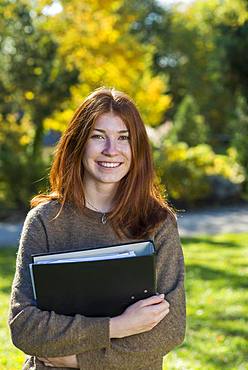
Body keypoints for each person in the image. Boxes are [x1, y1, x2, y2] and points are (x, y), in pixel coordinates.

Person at [8, 87, 186, 370]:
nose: (111, 150)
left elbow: (169, 329)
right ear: (78, 144)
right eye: (98, 137)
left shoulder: (158, 223)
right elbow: (26, 328)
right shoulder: (44, 221)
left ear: (136, 147)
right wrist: (116, 326)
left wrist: (78, 360)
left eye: (123, 138)